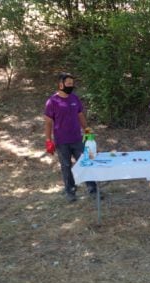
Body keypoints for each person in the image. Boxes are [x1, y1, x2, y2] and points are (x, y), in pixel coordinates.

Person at [44, 72, 97, 202]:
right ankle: (70, 192)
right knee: (66, 166)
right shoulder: (52, 102)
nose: (70, 86)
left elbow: (80, 116)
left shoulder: (75, 99)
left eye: (72, 84)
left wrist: (87, 130)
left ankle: (92, 189)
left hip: (77, 139)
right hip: (62, 141)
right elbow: (48, 122)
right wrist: (48, 140)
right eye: (68, 84)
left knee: (85, 162)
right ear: (60, 84)